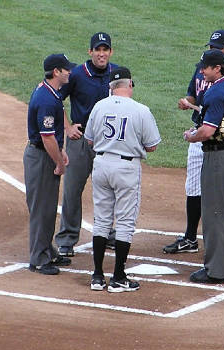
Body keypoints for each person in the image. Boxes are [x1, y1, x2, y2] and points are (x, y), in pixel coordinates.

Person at [163, 29, 224, 255]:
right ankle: (190, 238)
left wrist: (222, 117)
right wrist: (187, 102)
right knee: (193, 186)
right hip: (200, 133)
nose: (212, 52)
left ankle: (220, 242)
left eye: (217, 48)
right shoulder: (202, 68)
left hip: (223, 139)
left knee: (221, 192)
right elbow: (194, 95)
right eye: (211, 47)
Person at [84, 67, 161, 292]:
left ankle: (97, 276)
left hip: (101, 164)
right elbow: (152, 145)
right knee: (125, 221)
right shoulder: (141, 110)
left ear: (111, 87)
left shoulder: (99, 106)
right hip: (126, 168)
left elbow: (89, 140)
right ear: (130, 85)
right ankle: (118, 276)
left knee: (101, 220)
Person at [55, 32, 119, 258]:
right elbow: (56, 99)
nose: (101, 54)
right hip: (80, 140)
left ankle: (107, 232)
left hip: (108, 142)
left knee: (108, 190)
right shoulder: (77, 75)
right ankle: (67, 238)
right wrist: (68, 127)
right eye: (97, 49)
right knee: (72, 190)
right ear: (90, 51)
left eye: (105, 49)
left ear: (110, 52)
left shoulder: (118, 74)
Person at [183, 49, 224, 283]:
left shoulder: (217, 92)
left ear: (217, 68)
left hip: (218, 158)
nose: (201, 71)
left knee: (214, 214)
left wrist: (191, 136)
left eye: (205, 68)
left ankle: (215, 271)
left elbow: (207, 131)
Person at [23, 53, 76, 275]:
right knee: (42, 209)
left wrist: (60, 151)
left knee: (48, 207)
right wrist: (59, 162)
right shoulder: (46, 99)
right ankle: (38, 258)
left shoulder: (49, 92)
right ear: (56, 72)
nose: (69, 72)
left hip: (45, 154)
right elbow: (47, 137)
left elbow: (53, 133)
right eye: (66, 69)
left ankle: (47, 250)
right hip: (41, 157)